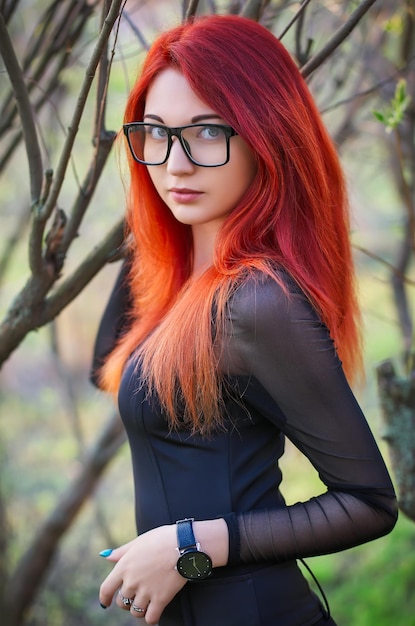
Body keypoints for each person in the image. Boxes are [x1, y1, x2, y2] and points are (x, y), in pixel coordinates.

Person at [92, 14, 398, 626]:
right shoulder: (174, 274)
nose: (175, 164)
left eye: (206, 132)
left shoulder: (259, 304)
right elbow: (109, 363)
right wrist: (152, 242)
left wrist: (189, 550)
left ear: (267, 136)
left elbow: (369, 503)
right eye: (156, 132)